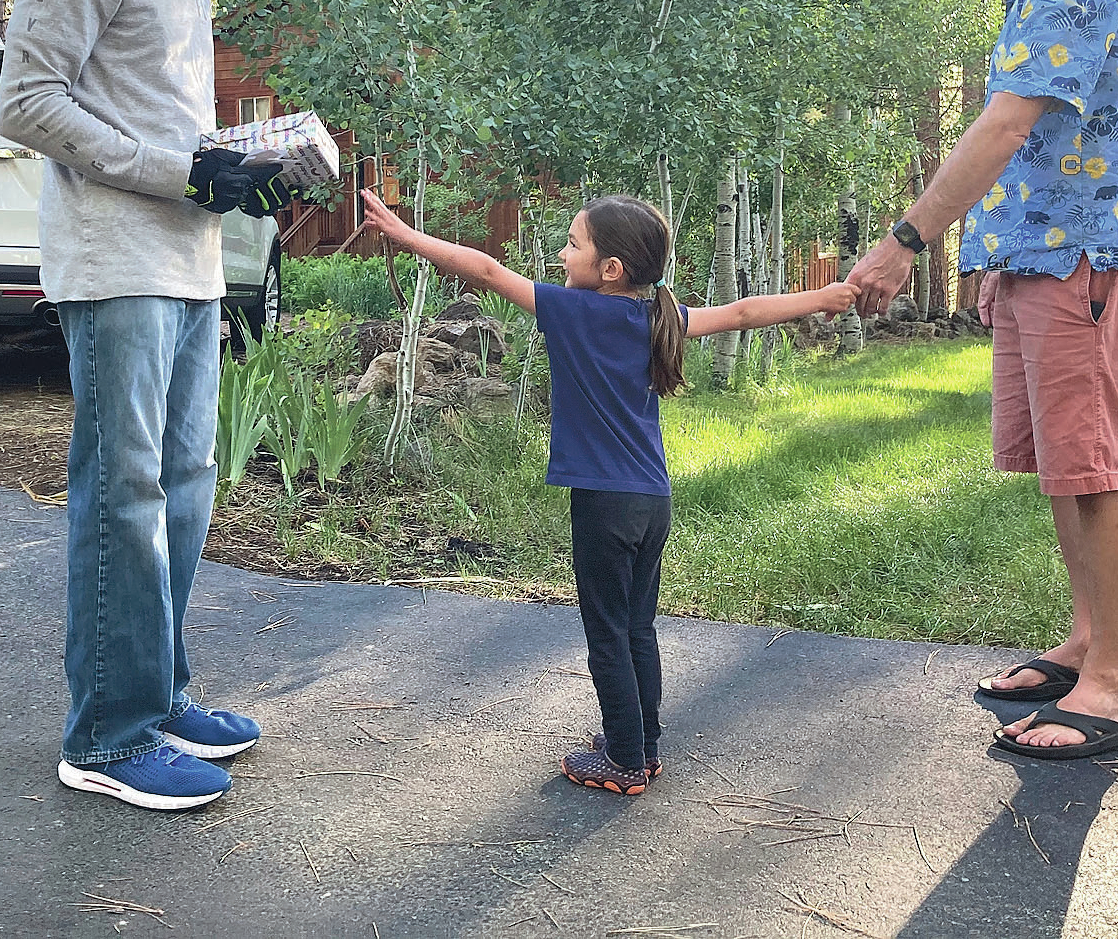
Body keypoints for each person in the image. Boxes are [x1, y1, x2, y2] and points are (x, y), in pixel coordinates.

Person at [0, 0, 299, 811]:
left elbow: (166, 124)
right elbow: (27, 103)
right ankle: (105, 735)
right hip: (115, 259)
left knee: (184, 483)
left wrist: (236, 167)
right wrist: (183, 172)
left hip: (188, 262)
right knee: (122, 492)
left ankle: (158, 695)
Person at [847, 0, 1118, 760]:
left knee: (1094, 465)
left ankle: (1109, 687)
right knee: (1059, 466)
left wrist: (906, 239)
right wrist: (1000, 250)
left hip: (1089, 259)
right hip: (1041, 254)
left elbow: (1004, 124)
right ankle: (1082, 642)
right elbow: (1032, 148)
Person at [360, 188, 859, 792]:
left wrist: (407, 235)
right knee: (637, 628)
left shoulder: (573, 312)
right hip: (653, 500)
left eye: (574, 246)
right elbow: (745, 312)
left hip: (603, 502)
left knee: (606, 632)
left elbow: (487, 270)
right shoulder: (659, 316)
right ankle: (641, 742)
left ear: (610, 269)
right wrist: (827, 297)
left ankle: (623, 761)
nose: (563, 255)